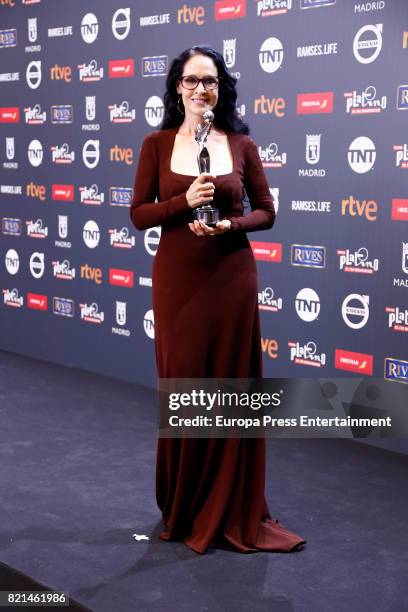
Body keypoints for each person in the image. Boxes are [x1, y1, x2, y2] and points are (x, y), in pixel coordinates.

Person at [130, 45, 306, 554]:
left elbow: (268, 211)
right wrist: (181, 203)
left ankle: (231, 505)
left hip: (232, 277)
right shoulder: (156, 145)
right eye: (191, 80)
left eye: (210, 80)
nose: (201, 89)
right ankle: (184, 505)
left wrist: (231, 223)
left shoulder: (241, 144)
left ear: (221, 88)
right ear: (177, 88)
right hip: (178, 281)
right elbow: (139, 214)